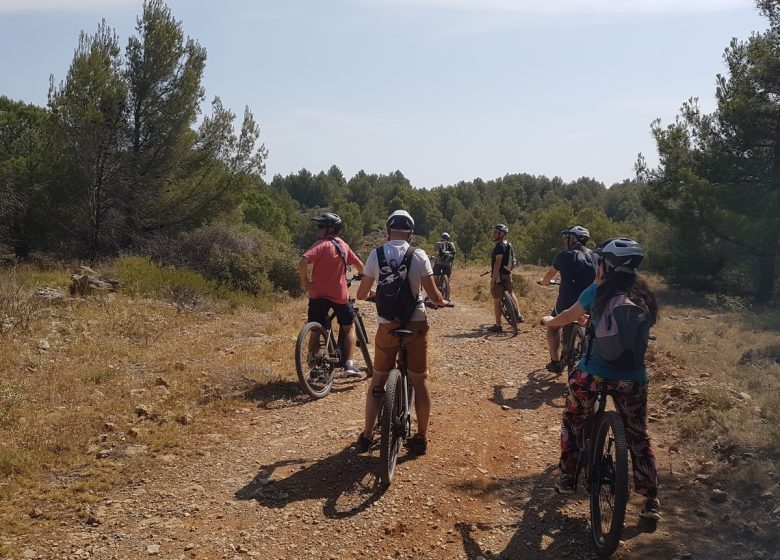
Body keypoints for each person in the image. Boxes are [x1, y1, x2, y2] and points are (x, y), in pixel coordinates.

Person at [541, 237, 661, 521]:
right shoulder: (644, 296)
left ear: (606, 265)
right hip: (633, 379)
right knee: (638, 436)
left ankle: (568, 475)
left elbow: (568, 315)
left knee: (573, 418)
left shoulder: (598, 290)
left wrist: (548, 321)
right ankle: (651, 500)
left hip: (593, 375)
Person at [355, 209, 448, 455]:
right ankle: (420, 437)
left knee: (378, 379)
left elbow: (361, 295)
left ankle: (366, 436)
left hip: (387, 326)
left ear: (388, 231)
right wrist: (442, 303)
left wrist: (377, 296)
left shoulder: (375, 255)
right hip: (415, 323)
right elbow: (435, 296)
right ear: (411, 233)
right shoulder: (419, 255)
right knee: (420, 380)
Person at [298, 213, 365, 377]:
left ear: (331, 229)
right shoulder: (343, 245)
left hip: (317, 295)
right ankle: (349, 363)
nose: (317, 230)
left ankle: (314, 365)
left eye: (321, 226)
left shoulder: (320, 245)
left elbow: (303, 261)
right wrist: (361, 276)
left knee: (315, 330)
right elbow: (360, 266)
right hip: (339, 296)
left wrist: (304, 280)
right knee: (349, 327)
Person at [537, 225, 598, 373]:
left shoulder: (565, 255)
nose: (565, 241)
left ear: (573, 239)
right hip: (590, 302)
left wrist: (544, 282)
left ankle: (555, 362)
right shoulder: (596, 256)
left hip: (567, 303)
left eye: (567, 238)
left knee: (552, 326)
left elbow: (551, 273)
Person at [488, 224, 523, 333]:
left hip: (499, 276)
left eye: (496, 232)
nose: (494, 234)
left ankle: (498, 325)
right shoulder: (508, 245)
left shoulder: (499, 246)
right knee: (511, 293)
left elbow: (497, 264)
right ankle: (519, 315)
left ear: (501, 234)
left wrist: (493, 280)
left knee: (497, 300)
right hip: (507, 274)